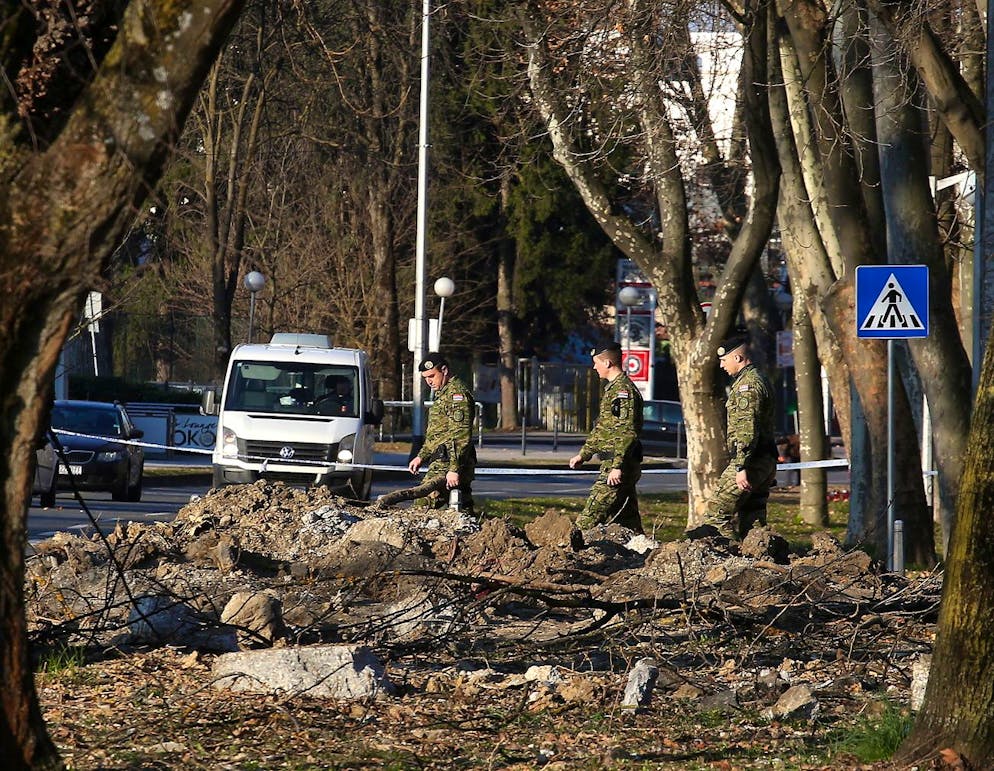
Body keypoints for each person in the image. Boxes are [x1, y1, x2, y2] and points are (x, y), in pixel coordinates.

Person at [697, 332, 778, 539]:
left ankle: (726, 557)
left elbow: (746, 429)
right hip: (764, 458)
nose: (722, 366)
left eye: (724, 360)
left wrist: (741, 466)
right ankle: (761, 556)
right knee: (753, 517)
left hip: (750, 461)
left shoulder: (746, 386)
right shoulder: (759, 378)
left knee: (716, 514)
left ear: (738, 358)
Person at [377, 355, 477, 514]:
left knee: (423, 505)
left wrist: (454, 469)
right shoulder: (444, 393)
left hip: (448, 462)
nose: (429, 381)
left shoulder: (457, 395)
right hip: (444, 459)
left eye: (432, 376)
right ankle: (471, 535)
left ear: (444, 370)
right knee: (459, 506)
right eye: (425, 378)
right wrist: (421, 456)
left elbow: (460, 435)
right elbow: (438, 434)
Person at [569, 341, 644, 533]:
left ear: (608, 363)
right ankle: (644, 553)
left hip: (618, 465)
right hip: (616, 463)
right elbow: (603, 428)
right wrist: (584, 455)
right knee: (628, 521)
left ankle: (568, 551)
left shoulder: (623, 391)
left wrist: (617, 466)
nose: (594, 367)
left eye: (597, 362)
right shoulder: (612, 390)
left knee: (590, 517)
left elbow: (627, 432)